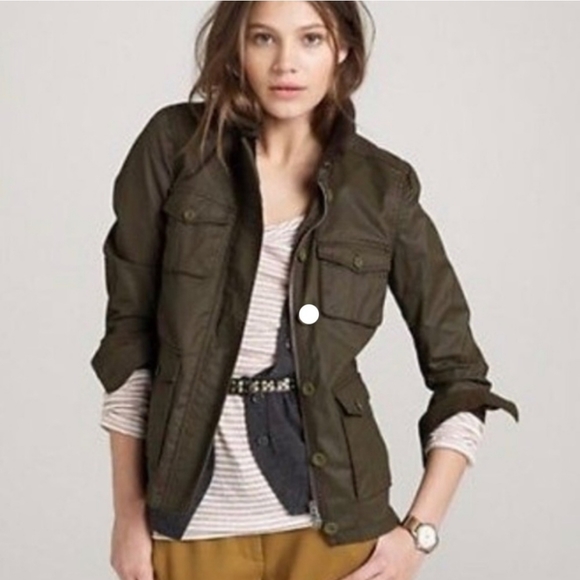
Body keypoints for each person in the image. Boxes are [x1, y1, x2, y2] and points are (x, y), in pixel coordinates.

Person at [92, 2, 520, 580]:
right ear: (236, 47)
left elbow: (462, 379)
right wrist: (128, 514)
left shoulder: (382, 188)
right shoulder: (177, 146)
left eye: (311, 39)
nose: (285, 63)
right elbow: (129, 343)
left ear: (342, 48)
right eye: (263, 38)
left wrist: (418, 534)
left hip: (338, 531)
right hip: (191, 526)